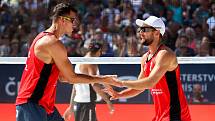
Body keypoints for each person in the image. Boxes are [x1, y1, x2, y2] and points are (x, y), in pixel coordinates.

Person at [15, 3, 120, 121]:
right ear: (62, 20)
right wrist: (102, 79)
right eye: (72, 20)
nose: (75, 24)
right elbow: (71, 78)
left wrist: (100, 80)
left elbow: (64, 77)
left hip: (44, 105)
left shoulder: (45, 38)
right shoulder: (51, 43)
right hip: (32, 103)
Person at [106, 16, 191, 121]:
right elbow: (141, 86)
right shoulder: (145, 57)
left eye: (145, 30)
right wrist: (119, 94)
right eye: (140, 29)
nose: (140, 33)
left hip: (176, 115)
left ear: (156, 32)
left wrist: (121, 83)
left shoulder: (165, 54)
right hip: (161, 116)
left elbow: (150, 83)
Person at [63, 40, 114, 121]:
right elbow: (95, 85)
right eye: (100, 52)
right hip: (87, 104)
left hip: (78, 102)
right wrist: (108, 100)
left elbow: (75, 86)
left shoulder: (79, 62)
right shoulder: (91, 63)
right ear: (99, 51)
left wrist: (71, 106)